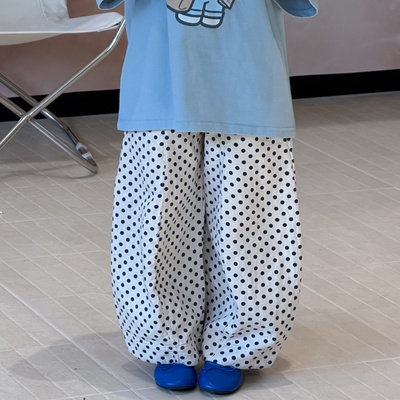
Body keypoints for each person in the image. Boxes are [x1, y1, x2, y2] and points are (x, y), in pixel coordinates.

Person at [97, 0, 318, 394]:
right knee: (159, 224)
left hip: (249, 88)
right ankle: (166, 341)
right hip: (159, 87)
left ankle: (238, 343)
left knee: (249, 227)